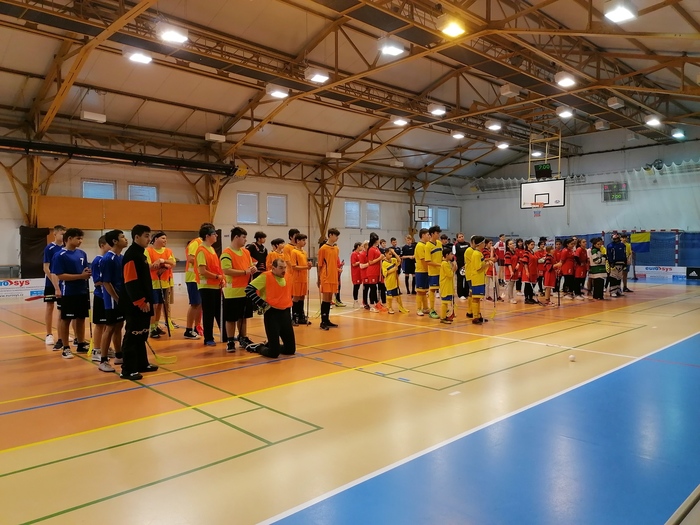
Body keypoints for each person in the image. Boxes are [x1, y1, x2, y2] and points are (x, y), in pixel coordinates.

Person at [121, 225, 159, 380]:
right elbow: (130, 281)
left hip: (145, 301)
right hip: (135, 304)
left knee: (142, 334)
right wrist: (140, 301)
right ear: (136, 237)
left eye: (150, 236)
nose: (149, 239)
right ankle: (128, 369)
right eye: (146, 236)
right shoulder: (131, 255)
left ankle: (142, 363)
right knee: (133, 335)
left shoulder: (141, 254)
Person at [51, 228, 91, 359]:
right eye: (78, 238)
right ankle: (66, 347)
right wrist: (80, 276)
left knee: (81, 318)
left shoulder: (82, 253)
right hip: (68, 292)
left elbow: (85, 270)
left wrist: (87, 273)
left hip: (82, 291)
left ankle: (81, 343)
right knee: (66, 319)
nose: (80, 241)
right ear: (69, 239)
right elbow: (60, 275)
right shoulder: (60, 255)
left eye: (81, 238)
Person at [245, 258, 295, 358]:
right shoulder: (266, 276)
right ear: (273, 268)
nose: (283, 270)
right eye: (280, 268)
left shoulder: (287, 276)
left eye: (284, 267)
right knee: (274, 353)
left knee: (290, 350)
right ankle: (258, 347)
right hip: (272, 314)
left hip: (285, 313)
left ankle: (271, 345)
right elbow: (249, 289)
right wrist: (261, 303)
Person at [221, 226, 257, 351]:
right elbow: (226, 270)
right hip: (232, 292)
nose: (245, 240)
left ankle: (243, 337)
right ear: (236, 237)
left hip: (245, 290)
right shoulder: (227, 253)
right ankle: (230, 340)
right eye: (243, 237)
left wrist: (253, 269)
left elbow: (250, 266)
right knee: (231, 318)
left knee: (243, 317)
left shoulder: (246, 252)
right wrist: (244, 272)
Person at [101, 229, 128, 372]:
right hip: (112, 300)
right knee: (110, 328)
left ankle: (119, 355)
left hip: (121, 298)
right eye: (122, 237)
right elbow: (106, 282)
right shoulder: (108, 259)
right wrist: (116, 298)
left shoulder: (121, 257)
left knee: (119, 326)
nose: (126, 239)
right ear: (115, 241)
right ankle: (103, 360)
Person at [184, 222, 214, 339]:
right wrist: (204, 263)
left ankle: (197, 326)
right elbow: (190, 258)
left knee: (200, 304)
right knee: (195, 304)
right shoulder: (196, 243)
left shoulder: (208, 246)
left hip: (201, 279)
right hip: (193, 277)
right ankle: (188, 329)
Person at [146, 232, 176, 338]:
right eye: (163, 238)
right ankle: (152, 328)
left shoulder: (168, 251)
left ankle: (156, 325)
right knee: (154, 306)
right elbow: (150, 266)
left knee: (160, 306)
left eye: (165, 238)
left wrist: (162, 262)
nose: (165, 240)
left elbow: (173, 263)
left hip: (165, 283)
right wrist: (165, 265)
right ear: (155, 239)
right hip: (154, 283)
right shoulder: (148, 251)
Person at [43, 224, 65, 348]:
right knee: (50, 306)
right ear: (55, 234)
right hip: (51, 282)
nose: (63, 236)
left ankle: (62, 333)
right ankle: (49, 334)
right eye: (61, 234)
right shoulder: (49, 248)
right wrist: (54, 282)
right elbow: (46, 267)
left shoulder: (65, 247)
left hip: (63, 282)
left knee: (62, 309)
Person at [90, 236, 110, 367]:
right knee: (100, 324)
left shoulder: (111, 259)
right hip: (100, 296)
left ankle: (105, 347)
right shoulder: (97, 260)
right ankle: (96, 350)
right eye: (109, 244)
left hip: (110, 297)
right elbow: (97, 281)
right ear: (102, 245)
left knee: (109, 324)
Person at [317, 227, 342, 329]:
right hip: (326, 276)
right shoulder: (323, 249)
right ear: (330, 235)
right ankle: (323, 321)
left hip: (333, 276)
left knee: (330, 299)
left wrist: (337, 269)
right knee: (326, 298)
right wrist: (318, 278)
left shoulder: (336, 248)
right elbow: (319, 264)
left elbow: (334, 262)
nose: (337, 238)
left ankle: (327, 320)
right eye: (336, 236)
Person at [290, 233, 312, 325]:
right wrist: (306, 267)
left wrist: (308, 265)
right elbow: (294, 266)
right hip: (297, 278)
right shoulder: (294, 252)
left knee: (302, 296)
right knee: (296, 297)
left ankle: (301, 316)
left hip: (303, 278)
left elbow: (305, 265)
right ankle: (294, 317)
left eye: (305, 240)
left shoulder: (304, 252)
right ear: (298, 241)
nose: (305, 242)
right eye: (303, 240)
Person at [470, 236, 491, 324]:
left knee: (478, 298)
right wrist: (487, 264)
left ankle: (478, 315)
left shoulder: (479, 253)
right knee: (475, 298)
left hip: (480, 278)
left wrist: (487, 264)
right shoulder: (476, 254)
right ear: (480, 244)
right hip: (476, 278)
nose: (484, 244)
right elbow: (478, 267)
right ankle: (475, 317)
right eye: (483, 242)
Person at [425, 225, 443, 319]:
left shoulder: (439, 243)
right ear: (432, 234)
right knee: (432, 290)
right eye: (437, 233)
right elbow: (428, 261)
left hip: (441, 271)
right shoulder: (428, 246)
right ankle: (431, 309)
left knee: (442, 289)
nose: (438, 235)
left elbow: (442, 256)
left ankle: (444, 308)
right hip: (433, 272)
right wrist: (439, 264)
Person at [380, 248, 404, 314]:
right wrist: (393, 269)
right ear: (385, 254)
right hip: (389, 281)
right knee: (389, 296)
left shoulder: (393, 260)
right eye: (389, 254)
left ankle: (401, 307)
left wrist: (394, 253)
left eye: (391, 254)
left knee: (397, 295)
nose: (390, 255)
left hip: (395, 281)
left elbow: (399, 260)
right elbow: (385, 273)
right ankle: (389, 307)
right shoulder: (384, 263)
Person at [607, 234, 627, 298]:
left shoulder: (623, 245)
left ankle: (618, 290)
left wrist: (625, 262)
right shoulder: (610, 246)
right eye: (614, 239)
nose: (616, 240)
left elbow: (624, 254)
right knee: (613, 277)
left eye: (617, 238)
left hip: (621, 263)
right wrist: (611, 263)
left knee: (619, 277)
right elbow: (609, 255)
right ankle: (612, 291)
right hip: (614, 264)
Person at [439, 248, 455, 324]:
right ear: (446, 255)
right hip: (445, 285)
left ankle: (445, 316)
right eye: (451, 254)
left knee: (446, 302)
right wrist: (454, 268)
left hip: (448, 285)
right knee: (444, 302)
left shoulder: (447, 263)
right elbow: (450, 274)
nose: (452, 255)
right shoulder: (444, 264)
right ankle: (443, 317)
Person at [453, 233, 469, 300]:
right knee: (460, 280)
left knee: (467, 279)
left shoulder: (468, 244)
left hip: (467, 264)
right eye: (459, 237)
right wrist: (455, 263)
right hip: (459, 265)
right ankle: (460, 294)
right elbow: (454, 255)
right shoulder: (455, 245)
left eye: (462, 236)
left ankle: (466, 293)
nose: (461, 238)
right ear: (457, 238)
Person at [350, 242, 363, 308]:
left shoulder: (359, 254)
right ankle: (355, 301)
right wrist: (360, 262)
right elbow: (353, 264)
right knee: (356, 287)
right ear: (358, 246)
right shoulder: (354, 254)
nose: (362, 247)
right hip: (355, 273)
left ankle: (357, 301)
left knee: (358, 287)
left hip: (360, 273)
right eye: (361, 246)